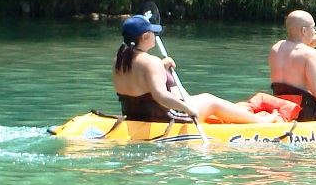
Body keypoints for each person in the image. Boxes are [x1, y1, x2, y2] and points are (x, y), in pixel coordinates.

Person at [114, 14, 271, 124]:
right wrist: (187, 108)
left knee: (180, 92)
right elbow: (160, 96)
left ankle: (239, 113)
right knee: (210, 100)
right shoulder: (150, 62)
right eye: (153, 33)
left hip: (133, 113)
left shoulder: (120, 59)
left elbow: (139, 80)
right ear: (145, 37)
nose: (156, 36)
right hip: (160, 116)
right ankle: (261, 121)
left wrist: (162, 67)